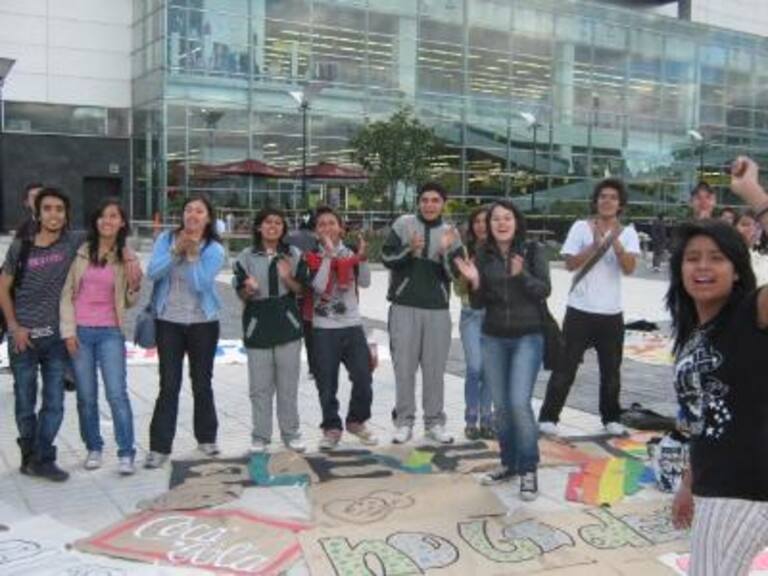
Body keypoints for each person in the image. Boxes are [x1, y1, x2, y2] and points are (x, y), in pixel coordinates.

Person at [668, 156, 768, 576]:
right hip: (714, 486)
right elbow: (701, 416)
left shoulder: (751, 313)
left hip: (746, 489)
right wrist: (688, 484)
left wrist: (754, 194)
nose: (703, 267)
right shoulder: (695, 334)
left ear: (737, 270)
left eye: (716, 258)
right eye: (692, 258)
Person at [454, 200, 550, 500]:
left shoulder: (532, 250)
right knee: (502, 407)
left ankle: (529, 468)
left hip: (527, 337)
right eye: (495, 219)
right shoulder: (483, 254)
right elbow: (479, 303)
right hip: (493, 337)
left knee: (519, 403)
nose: (501, 223)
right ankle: (509, 464)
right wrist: (474, 281)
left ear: (516, 222)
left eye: (507, 218)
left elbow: (544, 290)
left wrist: (522, 274)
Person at [538, 178, 640, 436]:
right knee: (565, 367)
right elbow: (570, 264)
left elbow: (629, 269)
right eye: (603, 196)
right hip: (580, 310)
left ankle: (611, 417)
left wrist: (615, 243)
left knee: (611, 371)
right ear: (595, 201)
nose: (607, 201)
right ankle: (549, 417)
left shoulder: (627, 233)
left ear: (620, 204)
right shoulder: (580, 227)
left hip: (611, 313)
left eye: (613, 197)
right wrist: (594, 245)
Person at [0, 188, 84, 481]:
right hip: (23, 340)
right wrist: (14, 327)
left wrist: (131, 257)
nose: (54, 214)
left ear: (66, 214)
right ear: (37, 212)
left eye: (59, 209)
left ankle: (42, 457)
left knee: (55, 404)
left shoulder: (73, 242)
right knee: (25, 402)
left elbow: (108, 234)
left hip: (56, 341)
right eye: (47, 208)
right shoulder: (20, 247)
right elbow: (2, 288)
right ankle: (29, 456)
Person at [59, 199, 142, 475]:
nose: (108, 221)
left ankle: (126, 452)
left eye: (114, 216)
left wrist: (134, 284)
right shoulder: (81, 252)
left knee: (117, 394)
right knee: (86, 396)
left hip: (110, 332)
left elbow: (130, 301)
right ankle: (93, 447)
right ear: (96, 221)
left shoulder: (126, 256)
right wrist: (68, 332)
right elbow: (67, 295)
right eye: (103, 216)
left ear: (122, 222)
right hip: (80, 331)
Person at [144, 195, 226, 468]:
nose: (193, 215)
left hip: (203, 323)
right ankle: (159, 448)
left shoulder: (214, 249)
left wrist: (191, 257)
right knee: (169, 384)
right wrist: (175, 252)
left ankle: (207, 438)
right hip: (168, 321)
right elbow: (153, 273)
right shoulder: (166, 239)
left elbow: (201, 285)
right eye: (189, 210)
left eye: (199, 211)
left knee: (201, 382)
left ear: (208, 218)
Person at [381, 182, 463, 444]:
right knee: (403, 368)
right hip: (404, 306)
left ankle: (434, 423)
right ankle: (404, 422)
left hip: (437, 309)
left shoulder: (451, 233)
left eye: (435, 200)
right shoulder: (404, 224)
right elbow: (386, 258)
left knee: (434, 371)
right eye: (425, 200)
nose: (429, 205)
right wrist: (409, 250)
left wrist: (445, 251)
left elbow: (456, 276)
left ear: (443, 204)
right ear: (418, 202)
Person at [233, 207, 309, 454]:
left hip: (287, 325)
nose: (273, 226)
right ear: (259, 226)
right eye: (268, 222)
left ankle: (291, 434)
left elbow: (302, 290)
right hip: (258, 326)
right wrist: (248, 289)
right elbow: (240, 292)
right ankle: (260, 436)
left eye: (278, 222)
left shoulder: (293, 254)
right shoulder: (246, 256)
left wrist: (287, 278)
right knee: (259, 388)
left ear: (283, 228)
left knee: (288, 386)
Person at [305, 206, 377, 450]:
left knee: (363, 376)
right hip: (323, 327)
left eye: (331, 223)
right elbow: (318, 286)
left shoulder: (351, 253)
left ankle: (356, 420)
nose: (327, 228)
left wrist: (362, 258)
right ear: (316, 232)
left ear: (341, 228)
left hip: (352, 324)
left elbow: (365, 282)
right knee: (326, 382)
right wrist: (328, 256)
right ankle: (331, 427)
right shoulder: (311, 257)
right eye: (321, 224)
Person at [454, 206, 493, 440]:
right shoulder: (464, 251)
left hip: (495, 317)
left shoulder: (501, 251)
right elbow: (459, 291)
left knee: (490, 370)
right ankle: (471, 418)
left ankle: (486, 418)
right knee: (475, 367)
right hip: (470, 314)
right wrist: (465, 274)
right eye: (476, 221)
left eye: (485, 221)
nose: (481, 225)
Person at [286, 210, 319, 379]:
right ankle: (313, 368)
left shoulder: (289, 238)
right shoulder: (317, 240)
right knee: (309, 333)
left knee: (291, 332)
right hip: (308, 293)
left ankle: (289, 366)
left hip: (290, 290)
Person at [735, 209, 768, 286]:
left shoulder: (764, 257)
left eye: (758, 227)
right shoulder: (725, 253)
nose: (752, 230)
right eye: (745, 224)